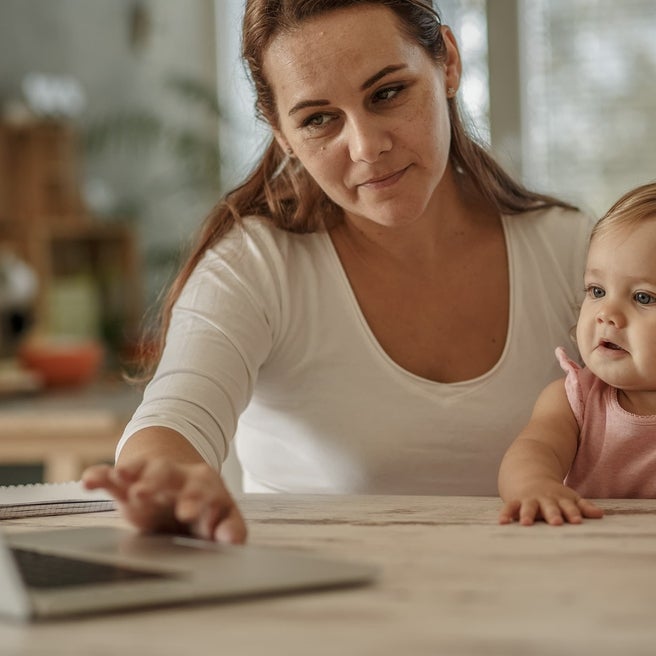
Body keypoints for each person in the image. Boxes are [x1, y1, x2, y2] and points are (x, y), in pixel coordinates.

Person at [83, 0, 591, 543]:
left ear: (447, 62)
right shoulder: (256, 266)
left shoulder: (570, 250)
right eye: (319, 119)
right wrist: (169, 479)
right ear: (282, 132)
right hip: (321, 617)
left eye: (388, 93)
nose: (367, 147)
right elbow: (176, 415)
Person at [498, 182, 656, 527]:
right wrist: (535, 485)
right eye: (597, 291)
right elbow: (535, 450)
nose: (606, 313)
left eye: (644, 297)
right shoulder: (576, 401)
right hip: (586, 555)